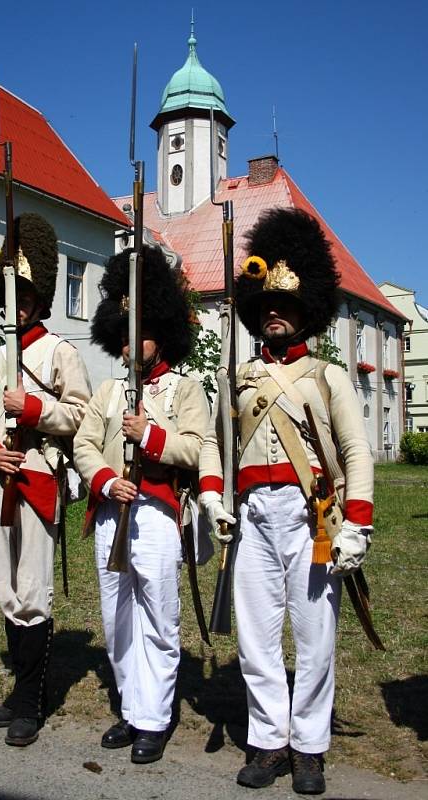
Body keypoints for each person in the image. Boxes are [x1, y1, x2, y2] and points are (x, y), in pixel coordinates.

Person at [199, 208, 374, 795]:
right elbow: (216, 452)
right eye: (266, 306)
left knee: (315, 635)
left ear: (304, 312)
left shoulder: (328, 377)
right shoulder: (237, 378)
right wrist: (215, 498)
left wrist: (358, 525)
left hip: (311, 518)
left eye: (285, 305)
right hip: (251, 519)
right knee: (255, 636)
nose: (274, 313)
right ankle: (269, 740)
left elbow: (356, 453)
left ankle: (310, 747)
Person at [0, 213, 91, 747]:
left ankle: (32, 702)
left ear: (40, 301)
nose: (20, 304)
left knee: (33, 589)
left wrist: (33, 408)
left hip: (38, 480)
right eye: (12, 295)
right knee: (6, 588)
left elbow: (80, 415)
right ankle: (18, 691)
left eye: (28, 296)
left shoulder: (60, 352)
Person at [73, 246, 210, 764]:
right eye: (126, 336)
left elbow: (197, 447)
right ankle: (132, 708)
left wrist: (151, 437)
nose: (133, 345)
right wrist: (106, 481)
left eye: (142, 333)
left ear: (162, 335)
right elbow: (85, 445)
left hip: (156, 513)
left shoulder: (184, 388)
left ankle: (154, 717)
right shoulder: (107, 391)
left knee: (158, 616)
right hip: (113, 511)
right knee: (117, 618)